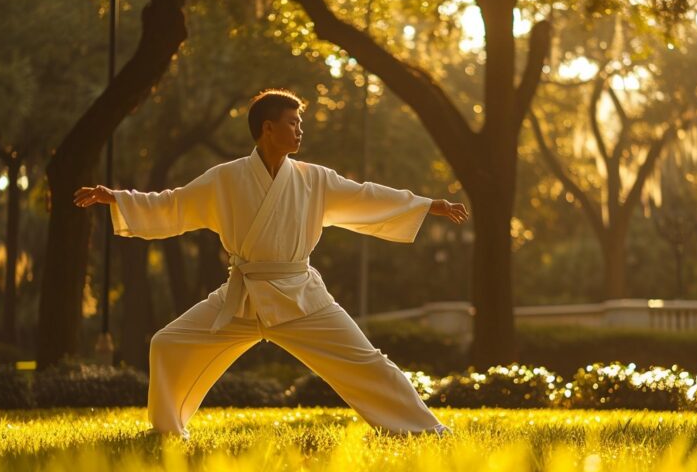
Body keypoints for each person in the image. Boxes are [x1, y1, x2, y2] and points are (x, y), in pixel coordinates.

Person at [74, 89, 469, 438]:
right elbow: (173, 204)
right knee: (168, 343)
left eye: (300, 124)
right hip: (241, 297)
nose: (300, 131)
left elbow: (366, 196)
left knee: (365, 361)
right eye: (293, 123)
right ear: (267, 128)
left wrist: (427, 205)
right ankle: (167, 431)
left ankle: (425, 428)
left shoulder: (314, 179)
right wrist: (117, 198)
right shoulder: (224, 179)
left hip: (300, 297)